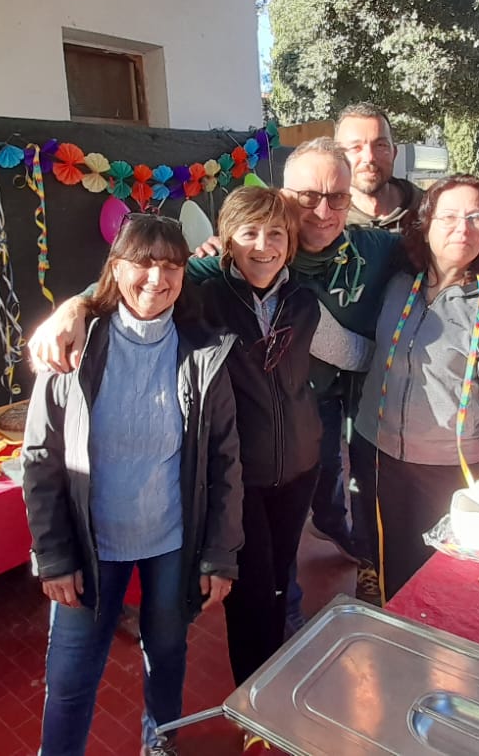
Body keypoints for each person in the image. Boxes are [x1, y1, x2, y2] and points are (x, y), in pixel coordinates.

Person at [28, 139, 479, 609]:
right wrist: (76, 307)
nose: (324, 211)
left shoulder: (378, 253)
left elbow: (450, 253)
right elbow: (144, 280)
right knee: (286, 563)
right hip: (262, 440)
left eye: (337, 198)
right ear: (282, 198)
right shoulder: (220, 271)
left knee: (422, 560)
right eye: (309, 196)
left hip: (334, 423)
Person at [22, 215, 243, 756]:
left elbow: (224, 461)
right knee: (71, 676)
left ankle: (160, 737)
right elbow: (41, 459)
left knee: (166, 653)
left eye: (170, 265)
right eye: (142, 263)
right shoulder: (73, 348)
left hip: (170, 541)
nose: (156, 278)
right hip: (91, 548)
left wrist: (220, 553)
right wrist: (53, 556)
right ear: (116, 269)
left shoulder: (203, 353)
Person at [352, 175, 479, 601]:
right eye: (448, 217)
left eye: (475, 217)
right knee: (390, 567)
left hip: (451, 468)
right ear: (426, 223)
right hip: (378, 455)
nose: (462, 228)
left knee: (449, 583)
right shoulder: (397, 282)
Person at [196, 187, 321, 690]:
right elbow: (136, 284)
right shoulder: (204, 299)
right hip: (239, 477)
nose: (263, 246)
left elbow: (350, 352)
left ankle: (277, 677)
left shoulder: (304, 301)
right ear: (227, 241)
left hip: (299, 469)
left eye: (275, 233)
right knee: (249, 592)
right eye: (249, 233)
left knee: (279, 579)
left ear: (290, 242)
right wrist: (75, 310)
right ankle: (256, 697)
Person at [338, 102, 422, 231]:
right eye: (355, 147)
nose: (369, 158)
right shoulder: (326, 220)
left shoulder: (429, 210)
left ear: (394, 153)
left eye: (380, 145)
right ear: (337, 156)